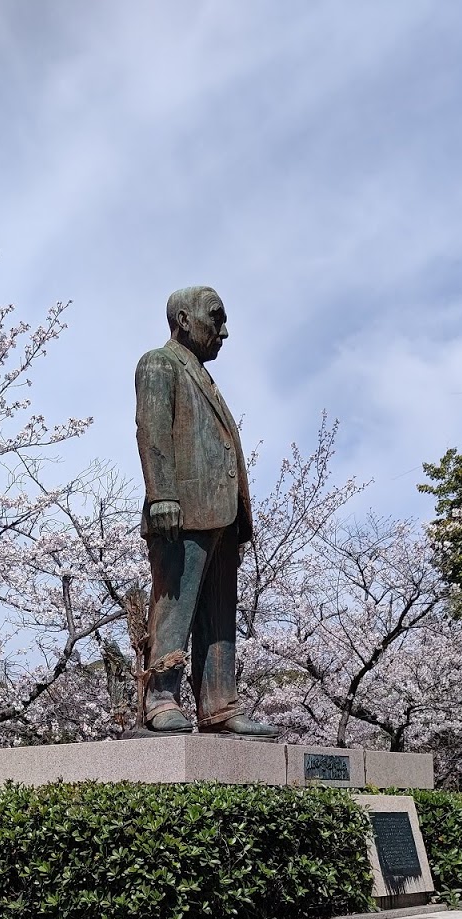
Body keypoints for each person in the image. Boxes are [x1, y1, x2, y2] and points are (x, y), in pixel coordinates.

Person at [135, 286, 276, 738]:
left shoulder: (203, 375)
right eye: (216, 319)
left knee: (219, 614)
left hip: (222, 518)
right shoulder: (159, 362)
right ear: (182, 318)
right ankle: (160, 697)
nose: (224, 331)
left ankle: (219, 704)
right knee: (175, 606)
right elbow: (151, 431)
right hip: (181, 511)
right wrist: (162, 496)